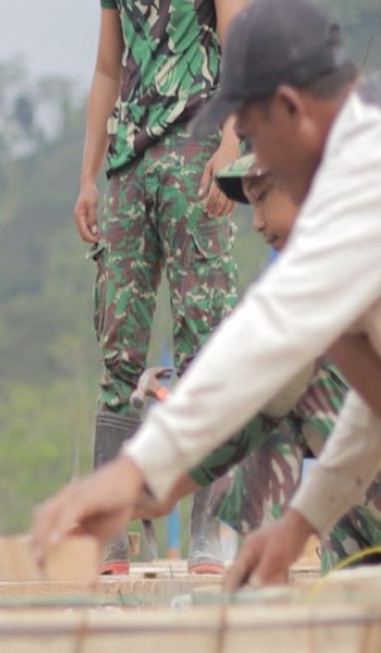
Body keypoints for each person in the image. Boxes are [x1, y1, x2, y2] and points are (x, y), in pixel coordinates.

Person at [32, 0, 381, 591]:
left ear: (291, 110)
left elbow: (270, 329)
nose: (250, 159)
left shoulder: (363, 180)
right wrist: (297, 526)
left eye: (252, 139)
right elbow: (371, 410)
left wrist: (136, 472)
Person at [134, 154, 381, 573]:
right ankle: (266, 575)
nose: (258, 223)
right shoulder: (312, 287)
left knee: (279, 397)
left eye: (264, 198)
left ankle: (260, 577)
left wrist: (158, 480)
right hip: (357, 509)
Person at [73, 0, 245, 573]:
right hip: (128, 161)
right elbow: (105, 67)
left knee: (208, 345)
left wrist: (231, 143)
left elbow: (236, 41)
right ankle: (111, 535)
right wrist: (88, 176)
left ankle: (209, 532)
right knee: (119, 351)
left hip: (197, 148)